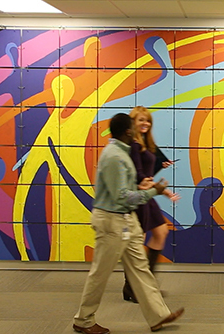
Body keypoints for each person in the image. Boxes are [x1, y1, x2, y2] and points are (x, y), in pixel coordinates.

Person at [73, 113, 184, 334]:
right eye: (133, 126)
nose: (137, 128)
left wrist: (147, 187)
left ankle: (158, 316)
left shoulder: (123, 153)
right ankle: (83, 320)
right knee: (100, 273)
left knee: (140, 269)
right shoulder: (114, 156)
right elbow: (121, 196)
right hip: (112, 221)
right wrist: (154, 191)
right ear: (127, 131)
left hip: (126, 220)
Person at [122, 106, 179, 303]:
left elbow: (145, 176)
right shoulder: (134, 146)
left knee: (161, 232)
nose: (145, 123)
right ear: (132, 123)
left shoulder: (144, 143)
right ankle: (137, 287)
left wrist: (161, 189)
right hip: (138, 198)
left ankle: (141, 285)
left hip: (147, 196)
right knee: (137, 244)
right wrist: (161, 190)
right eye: (141, 120)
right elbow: (138, 177)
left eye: (147, 120)